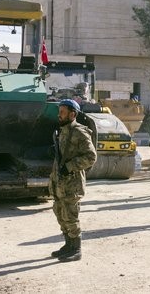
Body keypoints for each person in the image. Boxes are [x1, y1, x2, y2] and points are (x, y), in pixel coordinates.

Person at [49, 99, 97, 262]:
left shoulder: (79, 132)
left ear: (73, 114)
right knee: (60, 214)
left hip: (72, 184)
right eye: (59, 111)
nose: (59, 115)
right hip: (59, 183)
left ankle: (76, 249)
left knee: (71, 216)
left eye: (62, 112)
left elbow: (91, 157)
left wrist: (70, 166)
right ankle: (68, 244)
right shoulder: (62, 131)